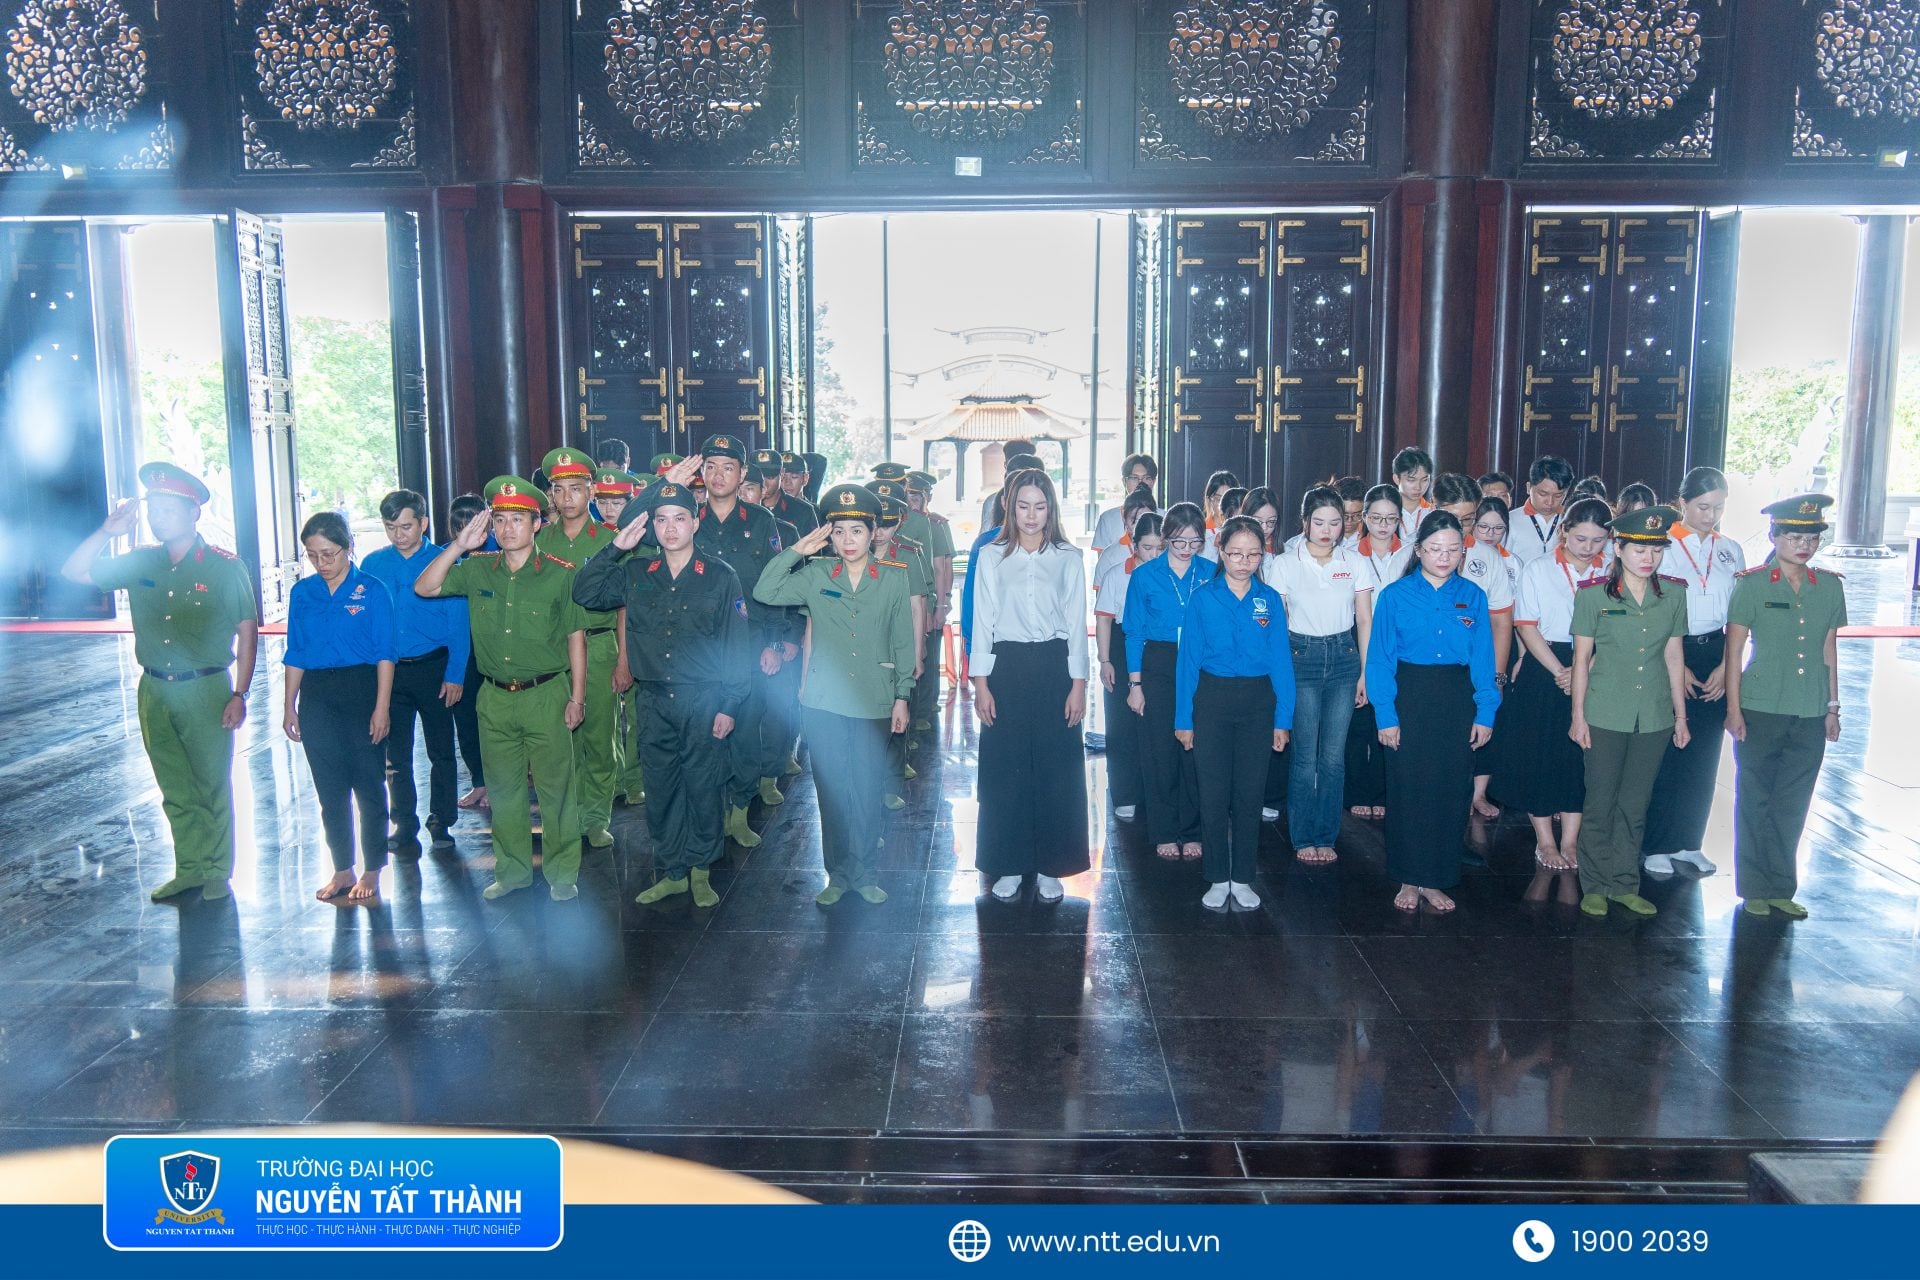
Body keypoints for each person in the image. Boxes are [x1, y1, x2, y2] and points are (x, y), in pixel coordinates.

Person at [61, 463, 259, 901]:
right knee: (174, 786)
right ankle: (189, 868)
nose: (158, 518)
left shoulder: (224, 567)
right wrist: (107, 531)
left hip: (205, 689)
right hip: (154, 690)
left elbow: (247, 631)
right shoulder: (142, 561)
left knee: (211, 783)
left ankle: (216, 871)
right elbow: (74, 572)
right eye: (153, 510)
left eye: (168, 510)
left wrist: (239, 693)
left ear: (194, 513)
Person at [574, 482, 749, 909]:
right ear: (652, 526)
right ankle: (673, 872)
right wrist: (616, 547)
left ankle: (702, 870)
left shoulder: (720, 576)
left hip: (703, 699)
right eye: (661, 520)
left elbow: (736, 647)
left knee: (703, 787)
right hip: (653, 699)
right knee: (661, 787)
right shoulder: (637, 572)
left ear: (695, 522)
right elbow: (585, 592)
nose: (670, 528)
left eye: (679, 519)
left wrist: (729, 705)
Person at [416, 476, 589, 902]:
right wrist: (458, 546)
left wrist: (577, 696)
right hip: (494, 697)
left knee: (556, 790)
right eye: (500, 520)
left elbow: (576, 638)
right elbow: (425, 587)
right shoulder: (477, 569)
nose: (507, 528)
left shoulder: (560, 575)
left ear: (536, 524)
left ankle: (562, 872)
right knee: (503, 791)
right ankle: (512, 872)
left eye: (518, 519)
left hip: (546, 694)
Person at [753, 484, 916, 905]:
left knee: (866, 788)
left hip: (874, 699)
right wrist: (797, 550)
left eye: (857, 531)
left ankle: (865, 874)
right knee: (831, 790)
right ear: (829, 535)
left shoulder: (894, 578)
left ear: (872, 533)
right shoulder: (816, 574)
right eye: (839, 531)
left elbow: (903, 641)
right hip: (824, 701)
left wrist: (903, 695)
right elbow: (764, 591)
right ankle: (838, 876)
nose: (848, 541)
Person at [1365, 510, 1499, 913]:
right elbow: (1379, 659)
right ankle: (1409, 876)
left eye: (1453, 550)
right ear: (1419, 550)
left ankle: (1437, 876)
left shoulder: (1473, 595)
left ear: (1463, 552)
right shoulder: (1395, 595)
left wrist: (1486, 711)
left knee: (1451, 788)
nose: (1444, 557)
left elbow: (1484, 658)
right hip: (1410, 694)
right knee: (1408, 787)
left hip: (1457, 698)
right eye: (1435, 549)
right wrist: (1385, 714)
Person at [971, 468, 1089, 901]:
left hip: (1055, 665)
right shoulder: (991, 556)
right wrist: (981, 683)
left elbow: (1076, 623)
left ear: (1051, 509)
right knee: (1006, 769)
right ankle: (1008, 863)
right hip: (1007, 666)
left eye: (1040, 506)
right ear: (1009, 507)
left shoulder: (1068, 557)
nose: (1031, 515)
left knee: (1058, 769)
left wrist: (1078, 684)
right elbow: (982, 621)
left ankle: (1051, 866)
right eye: (1023, 506)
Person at [1725, 495, 1845, 919]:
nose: (1803, 545)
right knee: (1755, 797)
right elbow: (1734, 652)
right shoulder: (1752, 584)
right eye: (1794, 537)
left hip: (1810, 707)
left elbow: (1829, 650)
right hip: (1760, 706)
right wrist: (1733, 709)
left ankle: (1780, 886)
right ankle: (1753, 888)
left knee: (1793, 801)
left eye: (1811, 538)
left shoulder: (1829, 586)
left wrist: (1832, 705)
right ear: (1774, 537)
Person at [1568, 505, 1690, 918]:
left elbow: (1674, 657)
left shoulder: (1673, 595)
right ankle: (1595, 884)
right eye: (1639, 549)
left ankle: (1624, 883)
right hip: (1604, 711)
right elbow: (1581, 661)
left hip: (1653, 714)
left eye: (1656, 550)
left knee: (1635, 805)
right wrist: (1578, 716)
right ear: (1618, 550)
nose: (1648, 558)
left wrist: (1681, 717)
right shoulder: (1593, 595)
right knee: (1600, 801)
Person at [1176, 516, 1294, 910]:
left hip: (1258, 703)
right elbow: (1188, 662)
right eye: (1236, 554)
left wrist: (1283, 719)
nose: (1244, 562)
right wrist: (1183, 719)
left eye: (1253, 555)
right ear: (1221, 552)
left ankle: (1242, 876)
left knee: (1249, 793)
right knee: (1212, 793)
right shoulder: (1203, 598)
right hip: (1212, 700)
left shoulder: (1270, 600)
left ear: (1263, 555)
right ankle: (1216, 875)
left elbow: (1281, 661)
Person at [1499, 497, 1613, 905]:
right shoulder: (1539, 568)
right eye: (1580, 538)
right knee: (1541, 753)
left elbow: (1614, 628)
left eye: (1597, 540)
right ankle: (1545, 839)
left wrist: (1586, 666)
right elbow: (1526, 625)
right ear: (1564, 531)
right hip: (1546, 663)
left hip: (1597, 663)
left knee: (1578, 754)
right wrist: (1562, 671)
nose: (1588, 548)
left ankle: (1571, 840)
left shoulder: (1610, 571)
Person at [283, 512, 396, 902]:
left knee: (368, 785)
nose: (322, 563)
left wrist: (382, 708)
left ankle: (373, 868)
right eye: (313, 555)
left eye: (329, 554)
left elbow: (385, 654)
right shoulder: (303, 593)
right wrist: (289, 705)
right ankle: (342, 868)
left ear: (348, 547)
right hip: (317, 694)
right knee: (329, 789)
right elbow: (296, 652)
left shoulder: (373, 590)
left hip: (361, 689)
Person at [688, 435, 791, 847]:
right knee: (705, 734)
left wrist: (775, 643)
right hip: (701, 648)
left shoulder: (761, 521)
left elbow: (775, 585)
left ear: (743, 473)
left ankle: (740, 811)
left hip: (750, 643)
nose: (718, 475)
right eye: (711, 466)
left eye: (728, 467)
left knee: (746, 731)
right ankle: (709, 817)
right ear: (701, 472)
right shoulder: (689, 518)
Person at [1641, 468, 1744, 876]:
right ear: (1682, 502)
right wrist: (1677, 663)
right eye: (1702, 506)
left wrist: (1726, 664)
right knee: (1667, 748)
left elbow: (1738, 614)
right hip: (1669, 648)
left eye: (1718, 507)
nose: (1710, 515)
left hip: (1716, 650)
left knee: (1704, 751)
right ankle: (1656, 843)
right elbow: (1650, 605)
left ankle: (1689, 841)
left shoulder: (1730, 549)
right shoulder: (1661, 545)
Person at [1263, 486, 1371, 867]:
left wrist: (1365, 673)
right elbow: (1276, 626)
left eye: (1335, 522)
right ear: (1305, 522)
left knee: (1333, 757)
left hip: (1344, 658)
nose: (1327, 530)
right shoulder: (1284, 564)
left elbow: (1364, 619)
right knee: (1304, 756)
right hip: (1300, 657)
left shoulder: (1355, 562)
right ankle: (1302, 837)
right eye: (1319, 522)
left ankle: (1326, 835)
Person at [363, 489, 468, 857]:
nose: (398, 535)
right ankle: (404, 822)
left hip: (434, 668)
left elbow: (459, 623)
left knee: (441, 749)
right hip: (390, 672)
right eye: (390, 527)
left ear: (423, 523)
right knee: (396, 755)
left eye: (406, 526)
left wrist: (455, 674)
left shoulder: (444, 561)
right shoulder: (373, 564)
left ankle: (442, 821)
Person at [534, 446, 623, 851]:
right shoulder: (539, 540)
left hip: (600, 645)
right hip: (554, 653)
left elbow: (624, 606)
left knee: (599, 739)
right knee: (559, 743)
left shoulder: (610, 540)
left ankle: (596, 818)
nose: (566, 497)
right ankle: (565, 818)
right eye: (558, 489)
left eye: (575, 488)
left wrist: (624, 659)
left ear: (592, 491)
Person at [1123, 502, 1214, 861]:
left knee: (1196, 749)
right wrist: (1135, 686)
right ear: (1165, 538)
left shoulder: (1211, 572)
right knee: (1159, 749)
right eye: (1179, 542)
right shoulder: (1145, 576)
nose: (1187, 549)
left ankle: (1192, 830)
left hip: (1202, 662)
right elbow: (1133, 633)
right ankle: (1163, 829)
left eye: (1194, 542)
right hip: (1159, 662)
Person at [1096, 511, 1163, 824]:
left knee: (1155, 723)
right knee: (1122, 724)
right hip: (1122, 646)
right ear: (1134, 545)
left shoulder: (1169, 573)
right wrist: (1105, 660)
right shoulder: (1116, 575)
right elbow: (1104, 620)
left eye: (1160, 548)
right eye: (1147, 547)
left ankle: (1154, 792)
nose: (1154, 554)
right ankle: (1125, 794)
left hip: (1157, 648)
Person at [1346, 484, 1407, 821]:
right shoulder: (1348, 553)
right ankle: (1356, 791)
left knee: (1389, 716)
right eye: (1376, 518)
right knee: (1358, 720)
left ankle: (1383, 791)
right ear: (1364, 518)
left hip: (1399, 641)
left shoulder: (1411, 553)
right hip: (1358, 636)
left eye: (1391, 519)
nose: (1383, 525)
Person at [592, 468, 650, 808]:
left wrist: (624, 658)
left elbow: (628, 606)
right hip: (597, 639)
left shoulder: (641, 544)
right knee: (605, 719)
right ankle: (612, 781)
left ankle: (634, 779)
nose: (610, 509)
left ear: (632, 502)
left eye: (618, 502)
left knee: (636, 717)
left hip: (633, 639)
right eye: (603, 501)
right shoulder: (595, 539)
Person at [1463, 493, 1517, 821]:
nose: (1489, 534)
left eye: (1498, 529)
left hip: (1491, 650)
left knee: (1487, 719)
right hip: (1454, 654)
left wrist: (1499, 674)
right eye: (1483, 526)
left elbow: (1505, 620)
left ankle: (1478, 793)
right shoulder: (1446, 550)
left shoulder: (1506, 562)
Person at [445, 493, 493, 811]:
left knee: (495, 722)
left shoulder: (501, 554)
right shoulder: (448, 560)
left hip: (496, 649)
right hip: (460, 653)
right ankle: (480, 782)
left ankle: (499, 783)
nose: (468, 532)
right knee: (465, 720)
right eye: (459, 526)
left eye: (474, 524)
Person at [904, 469, 954, 735]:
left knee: (928, 655)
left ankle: (925, 708)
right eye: (908, 497)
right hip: (908, 598)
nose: (911, 503)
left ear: (927, 497)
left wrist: (942, 604)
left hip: (929, 598)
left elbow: (943, 567)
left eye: (916, 497)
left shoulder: (935, 524)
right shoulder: (896, 523)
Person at [1506, 455, 1575, 565]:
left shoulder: (1571, 520)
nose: (1550, 502)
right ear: (1528, 488)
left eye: (1558, 496)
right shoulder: (1510, 520)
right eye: (1543, 494)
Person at [1092, 453, 1159, 555]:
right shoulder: (1108, 518)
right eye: (1134, 478)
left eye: (1146, 478)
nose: (1140, 483)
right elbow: (1103, 560)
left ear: (1153, 481)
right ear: (1124, 481)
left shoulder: (1165, 517)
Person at [1391, 447, 1435, 541]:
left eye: (1424, 480)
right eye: (1411, 480)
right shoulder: (1385, 512)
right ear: (1396, 479)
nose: (1418, 487)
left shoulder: (1432, 512)